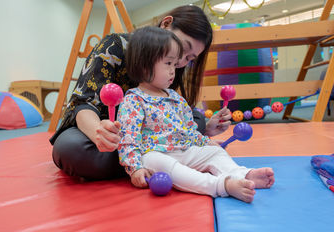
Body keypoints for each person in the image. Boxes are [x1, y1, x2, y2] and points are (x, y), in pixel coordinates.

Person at [50, 5, 231, 181]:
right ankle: (162, 159)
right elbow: (84, 103)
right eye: (184, 49)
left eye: (190, 58)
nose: (180, 62)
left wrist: (205, 127)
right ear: (166, 24)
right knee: (70, 148)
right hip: (112, 134)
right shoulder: (114, 45)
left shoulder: (173, 65)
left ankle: (158, 159)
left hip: (153, 136)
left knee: (197, 119)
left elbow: (172, 112)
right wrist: (99, 133)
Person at [117, 26, 275, 203]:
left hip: (184, 150)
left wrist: (207, 143)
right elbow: (127, 138)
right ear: (144, 65)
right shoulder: (133, 100)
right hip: (156, 154)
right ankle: (221, 185)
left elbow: (190, 131)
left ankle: (242, 174)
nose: (173, 71)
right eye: (168, 64)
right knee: (161, 164)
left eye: (174, 65)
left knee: (215, 152)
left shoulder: (176, 98)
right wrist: (135, 168)